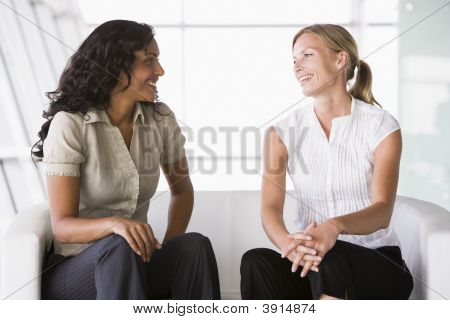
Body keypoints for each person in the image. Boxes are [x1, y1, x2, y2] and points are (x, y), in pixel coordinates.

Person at [32, 20, 220, 300]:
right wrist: (115, 224)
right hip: (76, 269)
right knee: (117, 245)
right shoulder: (70, 124)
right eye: (149, 61)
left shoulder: (161, 119)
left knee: (193, 247)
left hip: (133, 259)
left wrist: (167, 249)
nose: (160, 71)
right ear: (116, 67)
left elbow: (182, 191)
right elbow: (62, 226)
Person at [240, 24, 414, 300]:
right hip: (314, 260)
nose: (297, 66)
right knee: (255, 261)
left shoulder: (381, 126)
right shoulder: (280, 133)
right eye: (294, 60)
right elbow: (270, 209)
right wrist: (290, 245)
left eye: (307, 55)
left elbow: (382, 212)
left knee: (330, 258)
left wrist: (333, 227)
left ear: (340, 59)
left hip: (377, 261)